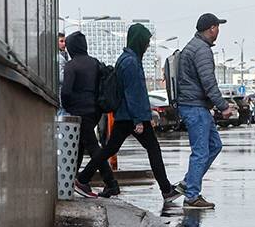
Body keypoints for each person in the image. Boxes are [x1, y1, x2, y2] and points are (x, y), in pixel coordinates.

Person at [74, 23, 181, 203]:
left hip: (125, 115)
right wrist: (139, 120)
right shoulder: (131, 62)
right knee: (153, 149)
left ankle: (83, 178)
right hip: (132, 115)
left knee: (110, 148)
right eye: (146, 41)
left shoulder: (126, 58)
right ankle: (166, 190)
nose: (147, 46)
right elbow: (133, 93)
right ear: (139, 41)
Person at [176, 12, 237, 210]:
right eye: (217, 27)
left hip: (196, 106)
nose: (218, 30)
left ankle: (188, 183)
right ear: (211, 28)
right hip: (195, 107)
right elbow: (208, 82)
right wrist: (224, 106)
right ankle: (192, 195)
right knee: (201, 152)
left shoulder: (194, 46)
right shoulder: (201, 50)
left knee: (214, 145)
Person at [59, 31, 116, 193]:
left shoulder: (71, 65)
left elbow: (66, 92)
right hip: (95, 111)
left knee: (92, 146)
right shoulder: (94, 63)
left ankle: (111, 183)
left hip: (79, 112)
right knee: (81, 145)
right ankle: (72, 179)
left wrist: (68, 107)